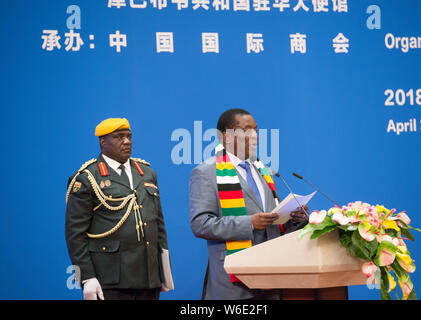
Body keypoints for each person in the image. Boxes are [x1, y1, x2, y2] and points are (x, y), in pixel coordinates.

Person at [189, 108, 309, 300]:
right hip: (233, 282)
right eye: (245, 130)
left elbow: (273, 223)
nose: (254, 136)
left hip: (271, 277)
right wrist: (250, 223)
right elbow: (200, 224)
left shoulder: (263, 170)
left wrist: (294, 219)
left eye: (256, 130)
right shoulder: (206, 172)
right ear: (227, 136)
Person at [65, 118, 170, 300]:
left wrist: (164, 272)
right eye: (119, 137)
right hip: (110, 279)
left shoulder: (147, 173)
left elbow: (158, 226)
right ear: (103, 141)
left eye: (129, 136)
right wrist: (86, 278)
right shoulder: (88, 178)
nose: (127, 141)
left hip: (148, 276)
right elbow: (75, 234)